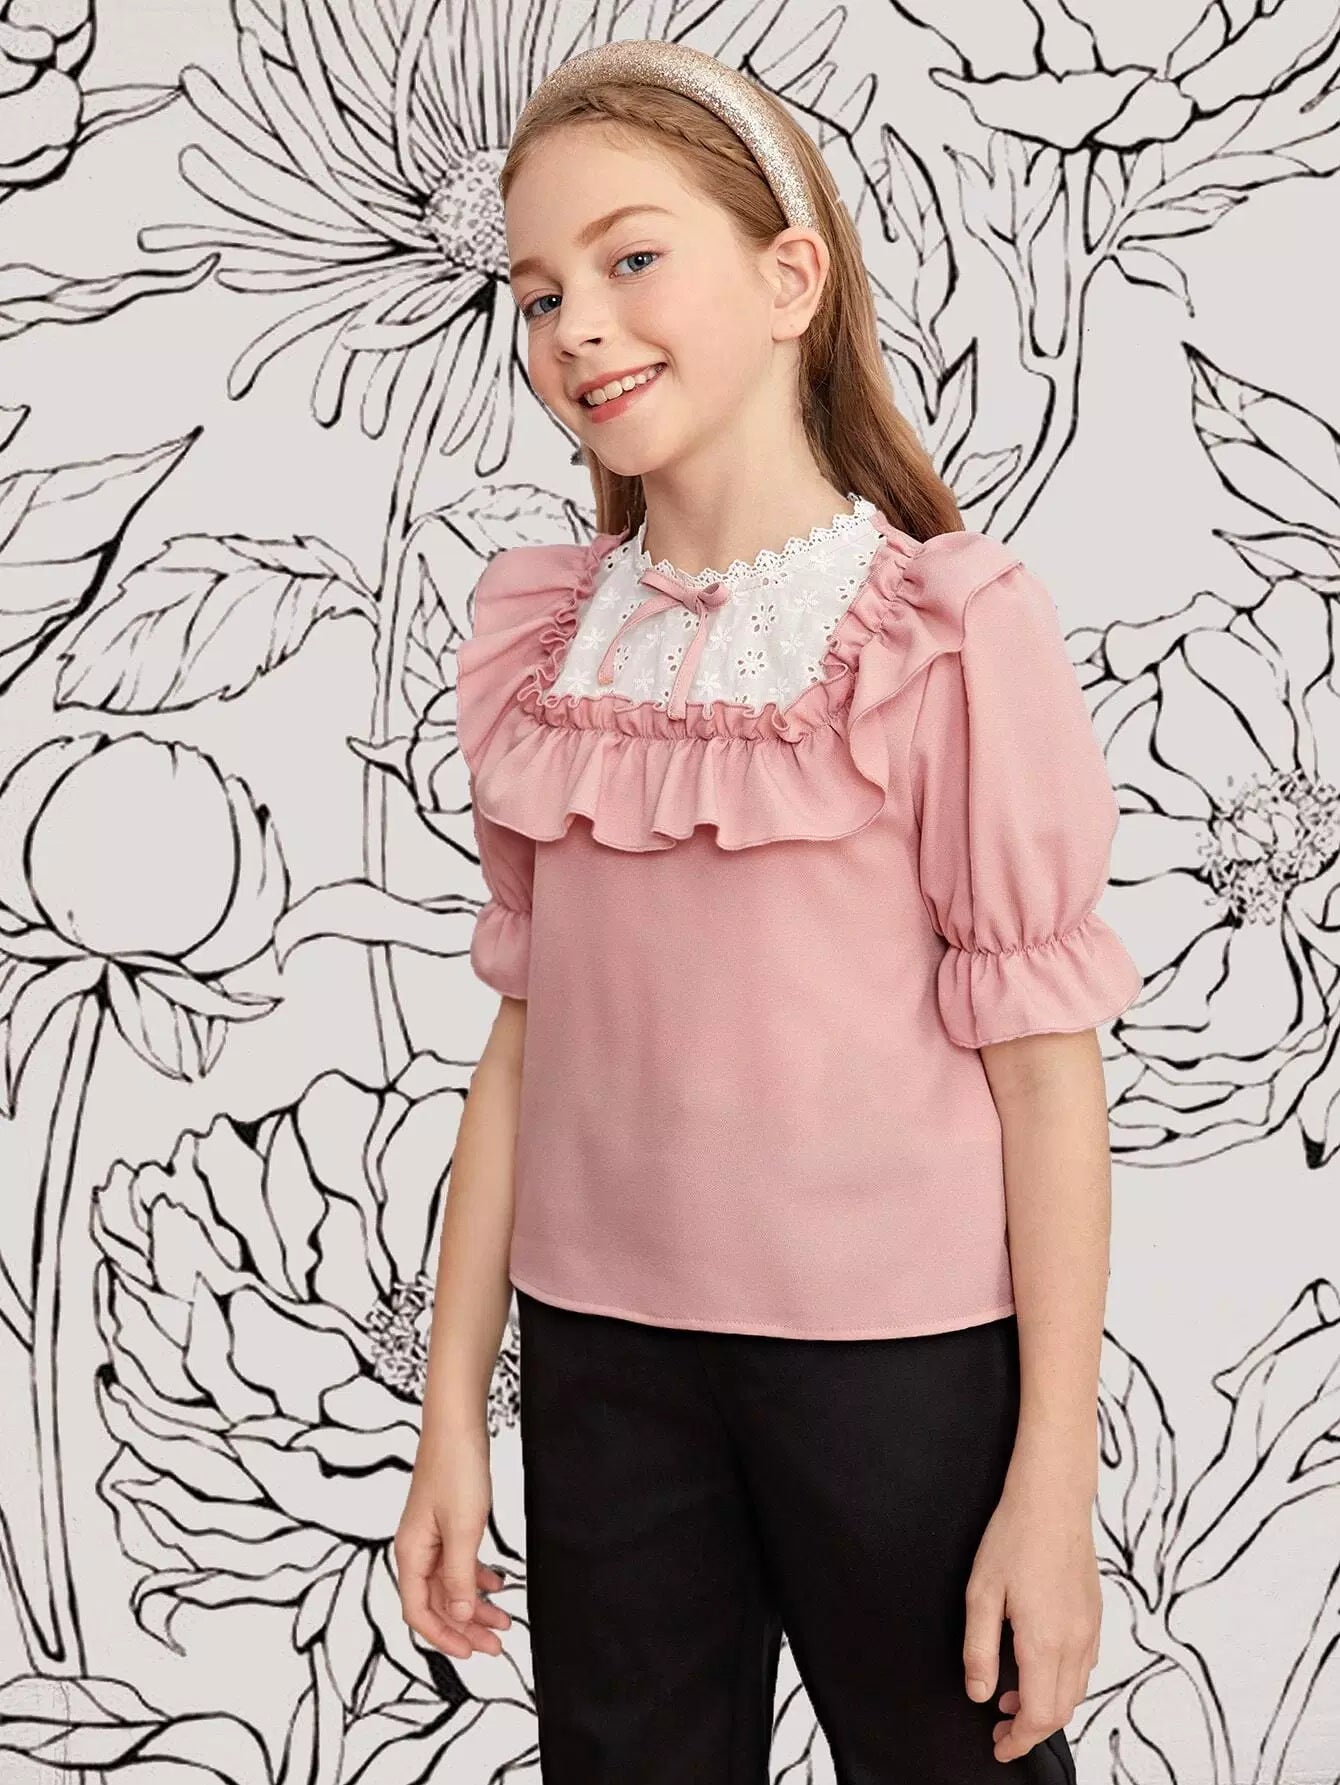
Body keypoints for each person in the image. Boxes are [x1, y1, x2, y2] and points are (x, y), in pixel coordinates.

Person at [395, 38, 1142, 1785]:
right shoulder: (545, 647)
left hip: (893, 1369)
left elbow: (1047, 1074)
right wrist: (451, 1419)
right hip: (602, 1365)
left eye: (632, 260)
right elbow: (524, 1051)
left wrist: (1053, 1482)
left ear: (791, 277)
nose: (577, 326)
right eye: (539, 293)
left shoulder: (944, 631)